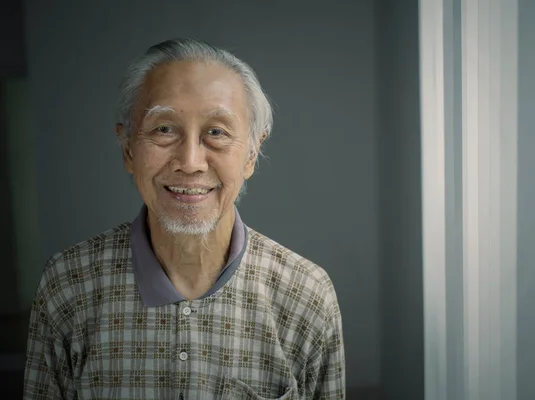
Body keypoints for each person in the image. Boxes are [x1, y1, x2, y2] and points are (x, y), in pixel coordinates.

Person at [23, 38, 345, 400]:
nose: (190, 161)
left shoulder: (305, 295)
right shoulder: (68, 285)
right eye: (164, 129)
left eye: (217, 132)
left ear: (252, 154)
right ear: (128, 148)